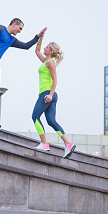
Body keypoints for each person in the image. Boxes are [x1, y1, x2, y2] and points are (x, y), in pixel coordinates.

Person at [32, 31, 75, 159]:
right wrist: (41, 37)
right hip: (51, 95)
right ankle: (68, 144)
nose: (44, 48)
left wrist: (50, 94)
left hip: (47, 93)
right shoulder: (46, 61)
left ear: (50, 51)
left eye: (46, 47)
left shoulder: (50, 63)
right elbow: (37, 51)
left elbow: (55, 80)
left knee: (35, 116)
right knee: (51, 121)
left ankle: (44, 143)